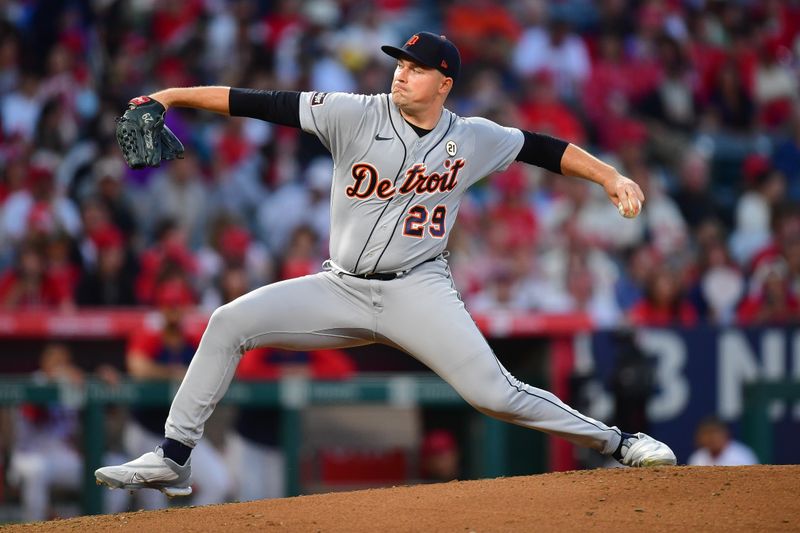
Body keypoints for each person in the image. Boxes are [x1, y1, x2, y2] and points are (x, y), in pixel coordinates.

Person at [96, 31, 675, 497]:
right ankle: (174, 457)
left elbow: (544, 149)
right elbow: (256, 104)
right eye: (399, 62)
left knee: (494, 394)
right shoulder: (352, 112)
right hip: (340, 285)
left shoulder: (471, 138)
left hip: (417, 289)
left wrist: (611, 176)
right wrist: (170, 97)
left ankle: (619, 443)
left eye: (416, 67)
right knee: (227, 322)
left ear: (444, 83)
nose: (401, 71)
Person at [687, 416, 759, 467]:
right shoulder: (697, 457)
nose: (711, 438)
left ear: (725, 434)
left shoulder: (741, 456)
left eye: (715, 432)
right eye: (707, 433)